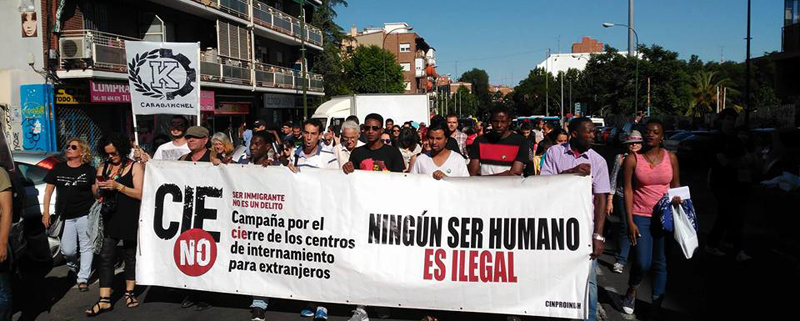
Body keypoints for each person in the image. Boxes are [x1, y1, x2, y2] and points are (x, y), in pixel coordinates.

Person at [540, 117, 610, 321]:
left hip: (584, 230)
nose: (593, 135)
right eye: (588, 132)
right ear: (574, 134)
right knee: (555, 278)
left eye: (594, 132)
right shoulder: (554, 153)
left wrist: (598, 235)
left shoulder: (598, 161)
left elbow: (601, 199)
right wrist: (571, 172)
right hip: (556, 227)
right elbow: (543, 184)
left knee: (588, 283)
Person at [621, 119, 681, 317]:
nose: (650, 135)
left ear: (662, 136)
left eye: (655, 132)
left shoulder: (671, 158)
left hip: (665, 217)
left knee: (661, 262)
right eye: (647, 132)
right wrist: (629, 221)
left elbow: (676, 188)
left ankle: (657, 302)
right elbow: (628, 190)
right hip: (640, 215)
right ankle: (632, 288)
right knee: (643, 262)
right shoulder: (633, 159)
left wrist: (678, 201)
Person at [85, 133, 144, 316]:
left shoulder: (133, 166)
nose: (111, 157)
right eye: (108, 154)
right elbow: (96, 193)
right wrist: (98, 189)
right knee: (106, 256)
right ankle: (104, 299)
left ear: (122, 149)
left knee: (129, 255)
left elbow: (141, 194)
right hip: (109, 217)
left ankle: (129, 292)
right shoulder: (103, 167)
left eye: (114, 153)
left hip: (129, 216)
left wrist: (119, 187)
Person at [43, 139, 98, 292]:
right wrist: (46, 212)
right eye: (67, 146)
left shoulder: (89, 170)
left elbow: (95, 192)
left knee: (86, 247)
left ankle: (83, 278)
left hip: (84, 214)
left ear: (82, 152)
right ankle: (74, 269)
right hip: (64, 216)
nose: (69, 149)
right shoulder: (58, 168)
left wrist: (99, 189)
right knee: (68, 251)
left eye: (73, 147)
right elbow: (48, 192)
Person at [706, 108, 755, 261]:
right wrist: (738, 162)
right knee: (728, 213)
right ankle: (723, 245)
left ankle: (724, 242)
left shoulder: (735, 139)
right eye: (728, 119)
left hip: (736, 182)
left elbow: (746, 159)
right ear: (721, 120)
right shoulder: (717, 139)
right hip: (720, 182)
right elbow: (724, 162)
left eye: (733, 120)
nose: (730, 122)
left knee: (731, 214)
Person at [608, 130, 642, 274]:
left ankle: (638, 255)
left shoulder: (646, 158)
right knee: (625, 225)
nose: (634, 145)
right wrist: (610, 199)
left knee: (640, 225)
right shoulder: (620, 158)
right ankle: (621, 259)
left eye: (637, 143)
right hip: (623, 195)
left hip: (642, 197)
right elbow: (614, 178)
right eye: (631, 143)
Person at [467, 108, 529, 176]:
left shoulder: (520, 142)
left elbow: (515, 173)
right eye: (495, 121)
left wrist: (484, 178)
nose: (499, 125)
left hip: (509, 186)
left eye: (503, 122)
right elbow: (472, 172)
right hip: (484, 186)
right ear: (491, 121)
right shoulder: (479, 141)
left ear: (509, 122)